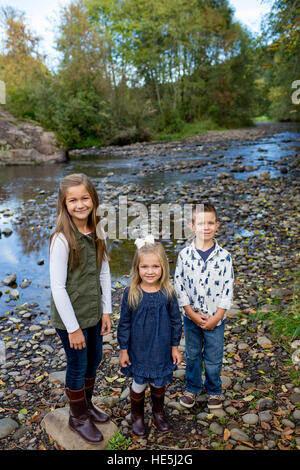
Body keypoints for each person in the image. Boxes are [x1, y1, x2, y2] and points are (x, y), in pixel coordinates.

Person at [49, 173, 112, 444]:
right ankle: (77, 417)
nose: (79, 204)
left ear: (93, 199)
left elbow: (104, 273)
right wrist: (73, 329)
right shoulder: (62, 239)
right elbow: (58, 288)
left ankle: (86, 405)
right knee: (77, 364)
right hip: (70, 319)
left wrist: (106, 311)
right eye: (72, 200)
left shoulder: (98, 230)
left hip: (93, 312)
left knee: (94, 358)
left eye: (84, 198)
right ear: (64, 204)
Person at [117, 236, 182, 437]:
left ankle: (158, 412)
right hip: (139, 350)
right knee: (139, 383)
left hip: (161, 349)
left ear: (163, 267)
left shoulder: (168, 293)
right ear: (137, 268)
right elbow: (124, 323)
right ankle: (137, 415)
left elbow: (175, 321)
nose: (150, 271)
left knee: (158, 383)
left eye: (155, 266)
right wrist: (123, 349)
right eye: (145, 267)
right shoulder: (131, 293)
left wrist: (174, 347)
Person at [174, 203, 234, 410]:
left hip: (215, 319)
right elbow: (179, 286)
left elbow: (228, 288)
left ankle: (214, 390)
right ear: (192, 226)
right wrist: (189, 312)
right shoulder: (184, 255)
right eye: (201, 223)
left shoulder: (225, 257)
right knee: (192, 354)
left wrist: (218, 317)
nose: (206, 227)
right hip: (191, 318)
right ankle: (192, 387)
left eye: (210, 223)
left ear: (217, 225)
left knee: (214, 356)